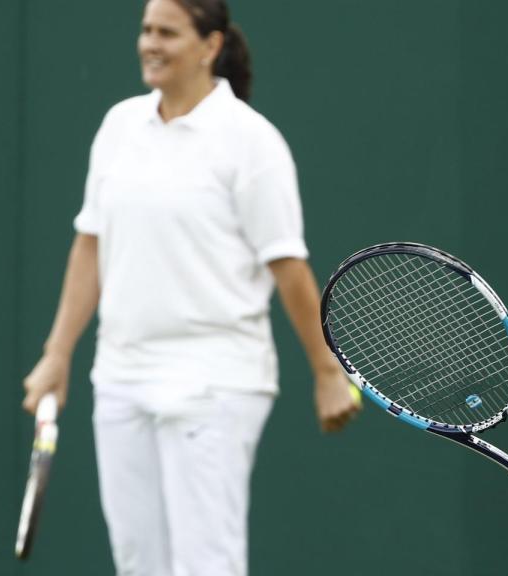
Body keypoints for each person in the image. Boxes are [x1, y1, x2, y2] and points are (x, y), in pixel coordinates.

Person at [20, 0, 359, 574]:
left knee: (206, 564)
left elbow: (289, 268)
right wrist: (58, 354)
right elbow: (90, 245)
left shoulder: (252, 142)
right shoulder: (119, 126)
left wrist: (328, 372)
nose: (150, 43)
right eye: (146, 30)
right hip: (121, 376)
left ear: (210, 46)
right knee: (137, 564)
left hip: (216, 380)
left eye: (167, 32)